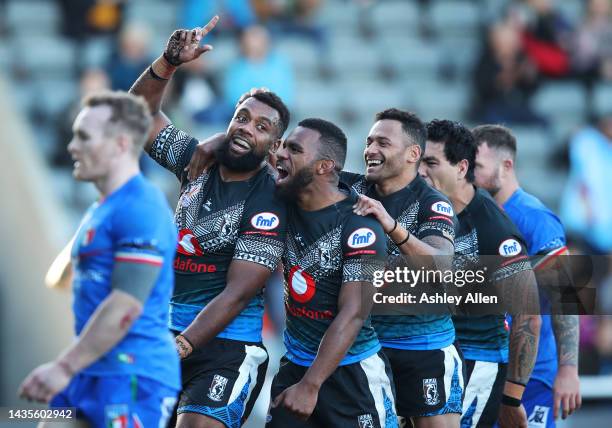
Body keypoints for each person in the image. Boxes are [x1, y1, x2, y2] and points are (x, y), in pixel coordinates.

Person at [129, 16, 290, 427]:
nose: (246, 128)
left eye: (261, 127)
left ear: (274, 146)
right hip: (165, 333)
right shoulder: (196, 162)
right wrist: (167, 63)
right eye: (241, 117)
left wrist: (180, 347)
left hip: (227, 348)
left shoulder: (271, 199)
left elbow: (237, 293)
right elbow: (138, 116)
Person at [18, 91, 180, 427]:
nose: (72, 147)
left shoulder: (142, 207)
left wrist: (63, 366)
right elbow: (61, 277)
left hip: (133, 375)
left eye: (83, 137)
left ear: (120, 144)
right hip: (90, 370)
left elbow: (126, 305)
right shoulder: (100, 209)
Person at [267, 118, 398, 427]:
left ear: (324, 166)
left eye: (294, 149)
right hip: (295, 366)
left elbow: (353, 312)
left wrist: (311, 386)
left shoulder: (361, 224)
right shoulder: (282, 200)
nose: (281, 154)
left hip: (353, 377)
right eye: (283, 146)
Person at [419, 119, 541, 428]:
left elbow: (528, 315)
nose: (421, 171)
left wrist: (512, 397)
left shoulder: (495, 230)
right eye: (419, 161)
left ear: (461, 168)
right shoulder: (421, 211)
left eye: (431, 162)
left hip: (477, 362)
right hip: (430, 357)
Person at [345, 109, 463, 428]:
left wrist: (393, 227)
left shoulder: (432, 203)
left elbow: (442, 265)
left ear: (413, 154)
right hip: (365, 347)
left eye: (382, 142)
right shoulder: (350, 191)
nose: (370, 149)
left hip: (424, 349)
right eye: (369, 141)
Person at [472, 124, 581, 426]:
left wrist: (568, 370)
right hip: (492, 368)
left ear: (506, 166)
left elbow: (567, 295)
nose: (470, 175)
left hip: (533, 375)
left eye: (478, 167)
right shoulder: (478, 216)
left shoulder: (534, 218)